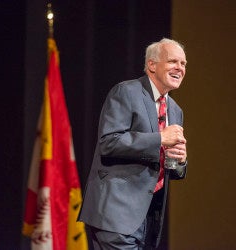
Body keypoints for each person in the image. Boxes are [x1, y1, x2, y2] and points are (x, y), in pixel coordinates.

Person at [78, 38, 188, 249]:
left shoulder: (175, 109)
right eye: (173, 61)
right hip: (116, 214)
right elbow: (109, 142)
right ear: (152, 65)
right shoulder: (126, 92)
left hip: (147, 218)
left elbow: (170, 168)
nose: (180, 68)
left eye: (183, 64)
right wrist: (160, 138)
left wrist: (180, 161)